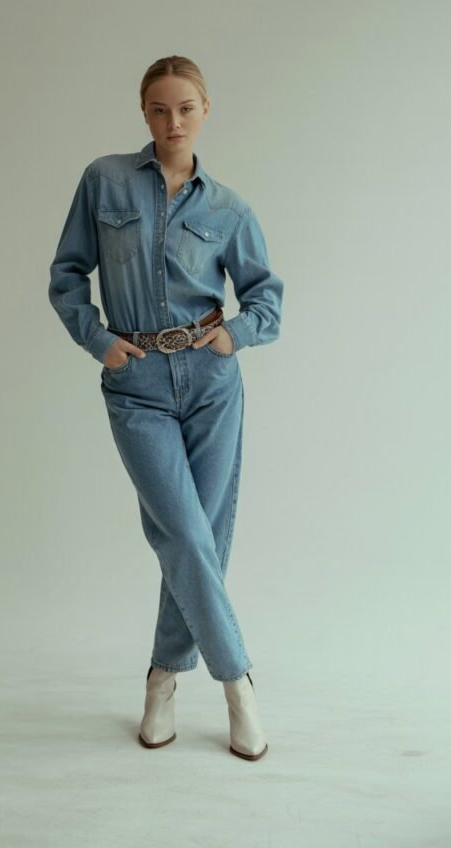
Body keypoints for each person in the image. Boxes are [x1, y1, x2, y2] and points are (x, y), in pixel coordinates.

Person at [48, 55, 284, 761]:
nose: (172, 121)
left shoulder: (229, 208)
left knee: (201, 540)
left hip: (211, 384)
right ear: (143, 113)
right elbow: (66, 275)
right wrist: (99, 340)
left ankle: (160, 678)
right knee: (182, 535)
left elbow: (267, 298)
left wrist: (232, 337)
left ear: (206, 111)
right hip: (138, 382)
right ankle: (238, 679)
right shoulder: (105, 181)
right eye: (159, 109)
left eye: (185, 108)